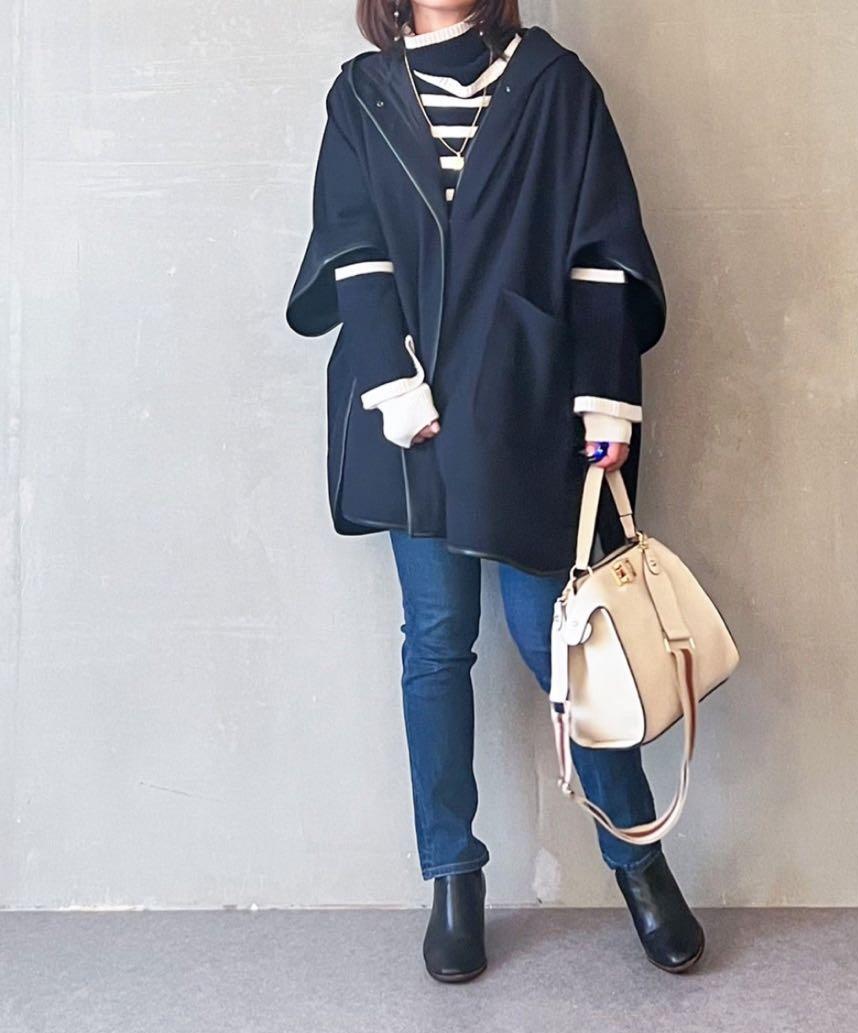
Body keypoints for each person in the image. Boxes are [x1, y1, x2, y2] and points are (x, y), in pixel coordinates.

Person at [286, 0, 704, 982]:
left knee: (563, 646)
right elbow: (355, 247)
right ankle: (452, 876)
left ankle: (637, 856)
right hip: (410, 416)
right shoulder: (362, 94)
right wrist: (390, 381)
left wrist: (607, 398)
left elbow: (602, 256)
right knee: (435, 640)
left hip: (529, 405)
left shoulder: (555, 85)